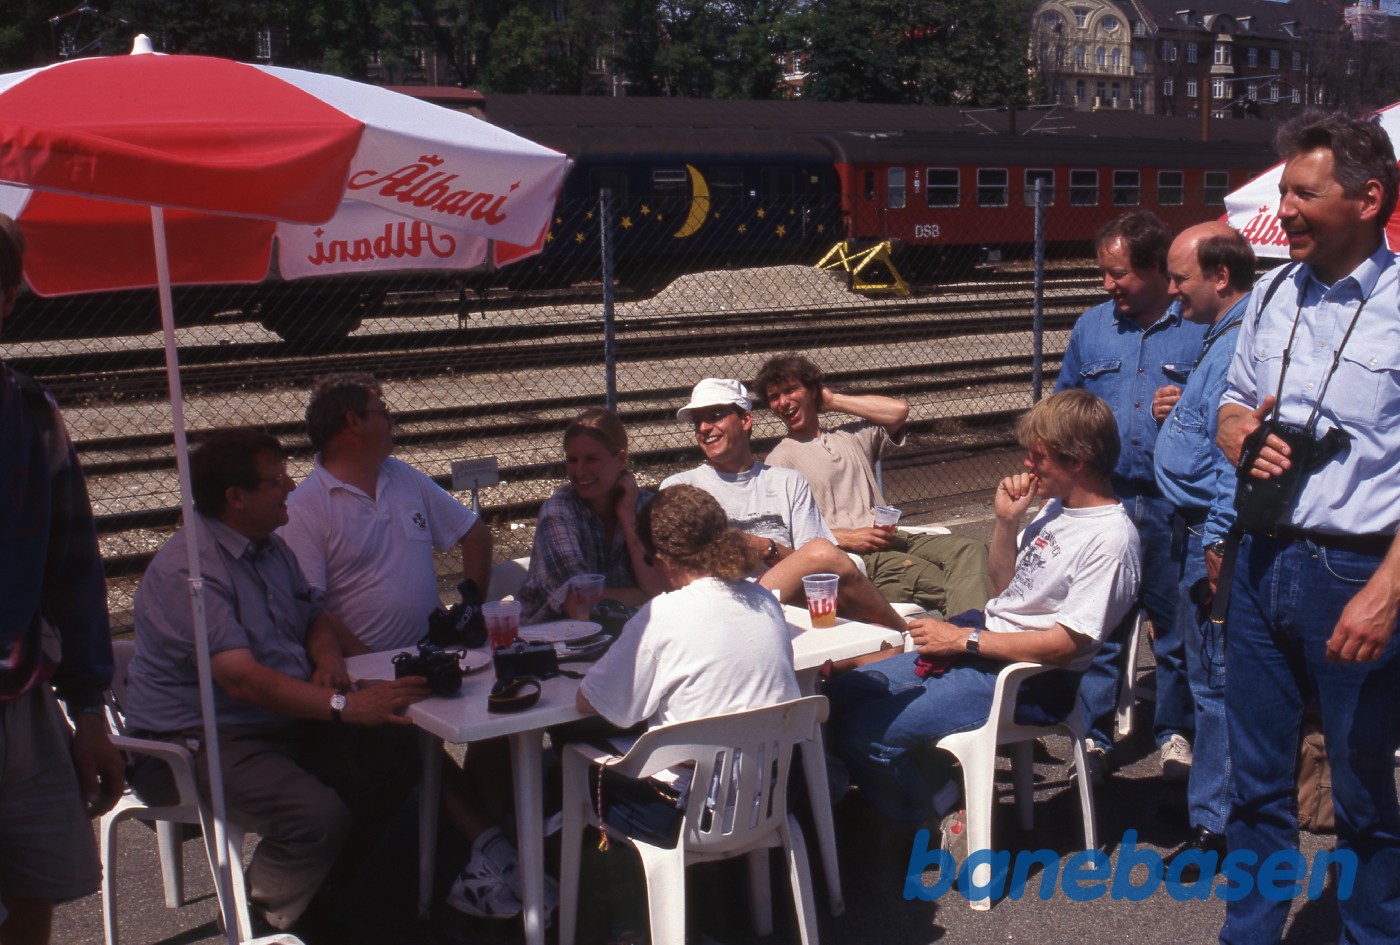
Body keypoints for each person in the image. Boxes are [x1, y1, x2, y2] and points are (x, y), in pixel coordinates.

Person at [1213, 112, 1400, 945]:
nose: (1283, 209)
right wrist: (1232, 429)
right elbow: (1233, 399)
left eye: (1302, 193)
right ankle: (1249, 933)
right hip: (1260, 562)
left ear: (1368, 198)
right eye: (1282, 190)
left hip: (1355, 573)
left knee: (1362, 791)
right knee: (1254, 784)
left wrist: (1387, 591)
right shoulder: (1270, 293)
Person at [123, 429, 428, 933]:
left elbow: (316, 616)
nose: (290, 486)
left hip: (270, 722)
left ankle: (318, 898)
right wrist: (344, 706)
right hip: (195, 740)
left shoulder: (268, 548)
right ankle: (259, 922)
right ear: (236, 497)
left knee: (395, 752)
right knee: (315, 817)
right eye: (276, 479)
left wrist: (327, 657)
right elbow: (241, 681)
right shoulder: (191, 571)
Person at [826, 389, 1140, 846]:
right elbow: (1005, 586)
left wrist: (962, 641)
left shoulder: (1111, 540)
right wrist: (1006, 523)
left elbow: (1064, 646)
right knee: (839, 695)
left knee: (864, 734)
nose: (1027, 464)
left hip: (1027, 680)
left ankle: (935, 810)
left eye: (1038, 456)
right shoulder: (1058, 508)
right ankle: (940, 787)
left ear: (1076, 461)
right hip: (985, 648)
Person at [574, 484, 803, 938]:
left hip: (683, 815)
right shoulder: (763, 600)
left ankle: (619, 921)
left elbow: (598, 704)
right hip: (767, 798)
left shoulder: (662, 614)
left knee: (570, 759)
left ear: (661, 558)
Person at [0, 213, 125, 945]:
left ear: (6, 300)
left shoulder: (32, 414)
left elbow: (75, 569)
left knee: (34, 892)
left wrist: (89, 712)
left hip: (24, 704)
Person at [1055, 209, 1206, 785]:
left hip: (1173, 504)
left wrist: (1188, 404)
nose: (1107, 284)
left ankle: (1174, 735)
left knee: (1176, 626)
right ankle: (1091, 737)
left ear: (1157, 270)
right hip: (1105, 503)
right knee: (1098, 627)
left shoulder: (1199, 325)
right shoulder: (1092, 327)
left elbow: (1229, 405)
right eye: (1104, 272)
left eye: (1118, 273)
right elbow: (1063, 406)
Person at [1151, 222, 1255, 869]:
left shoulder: (1240, 341)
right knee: (1204, 673)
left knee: (1215, 679)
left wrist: (1217, 539)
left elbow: (1233, 461)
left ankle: (1215, 825)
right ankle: (1211, 802)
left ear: (1220, 276)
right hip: (1194, 529)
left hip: (1209, 534)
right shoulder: (1223, 336)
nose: (1171, 290)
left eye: (1179, 278)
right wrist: (1183, 404)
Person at [752, 354, 993, 617]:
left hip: (890, 537)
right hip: (854, 556)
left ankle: (973, 633)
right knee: (947, 585)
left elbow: (898, 411)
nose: (783, 402)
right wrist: (845, 537)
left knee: (970, 550)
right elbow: (784, 537)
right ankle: (972, 635)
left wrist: (832, 400)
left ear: (811, 390)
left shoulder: (849, 437)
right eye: (774, 397)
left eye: (790, 390)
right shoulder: (780, 460)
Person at [659, 378, 904, 630]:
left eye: (715, 416)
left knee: (883, 642)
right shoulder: (680, 488)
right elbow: (675, 570)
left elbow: (817, 568)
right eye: (698, 421)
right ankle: (903, 629)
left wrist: (767, 549)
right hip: (721, 603)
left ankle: (898, 633)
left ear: (745, 420)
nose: (704, 428)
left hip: (789, 602)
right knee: (823, 552)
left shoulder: (787, 481)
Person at [280, 372, 492, 654]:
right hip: (364, 671)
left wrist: (470, 612)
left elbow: (476, 534)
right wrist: (373, 665)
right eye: (382, 412)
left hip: (436, 655)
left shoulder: (402, 475)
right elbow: (311, 610)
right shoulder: (304, 508)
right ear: (354, 422)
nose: (391, 421)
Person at [520, 408, 667, 624]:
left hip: (625, 629)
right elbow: (579, 604)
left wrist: (627, 516)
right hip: (552, 635)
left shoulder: (645, 505)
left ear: (621, 459)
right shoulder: (558, 512)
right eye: (572, 460)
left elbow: (661, 586)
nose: (579, 472)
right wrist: (648, 595)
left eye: (591, 459)